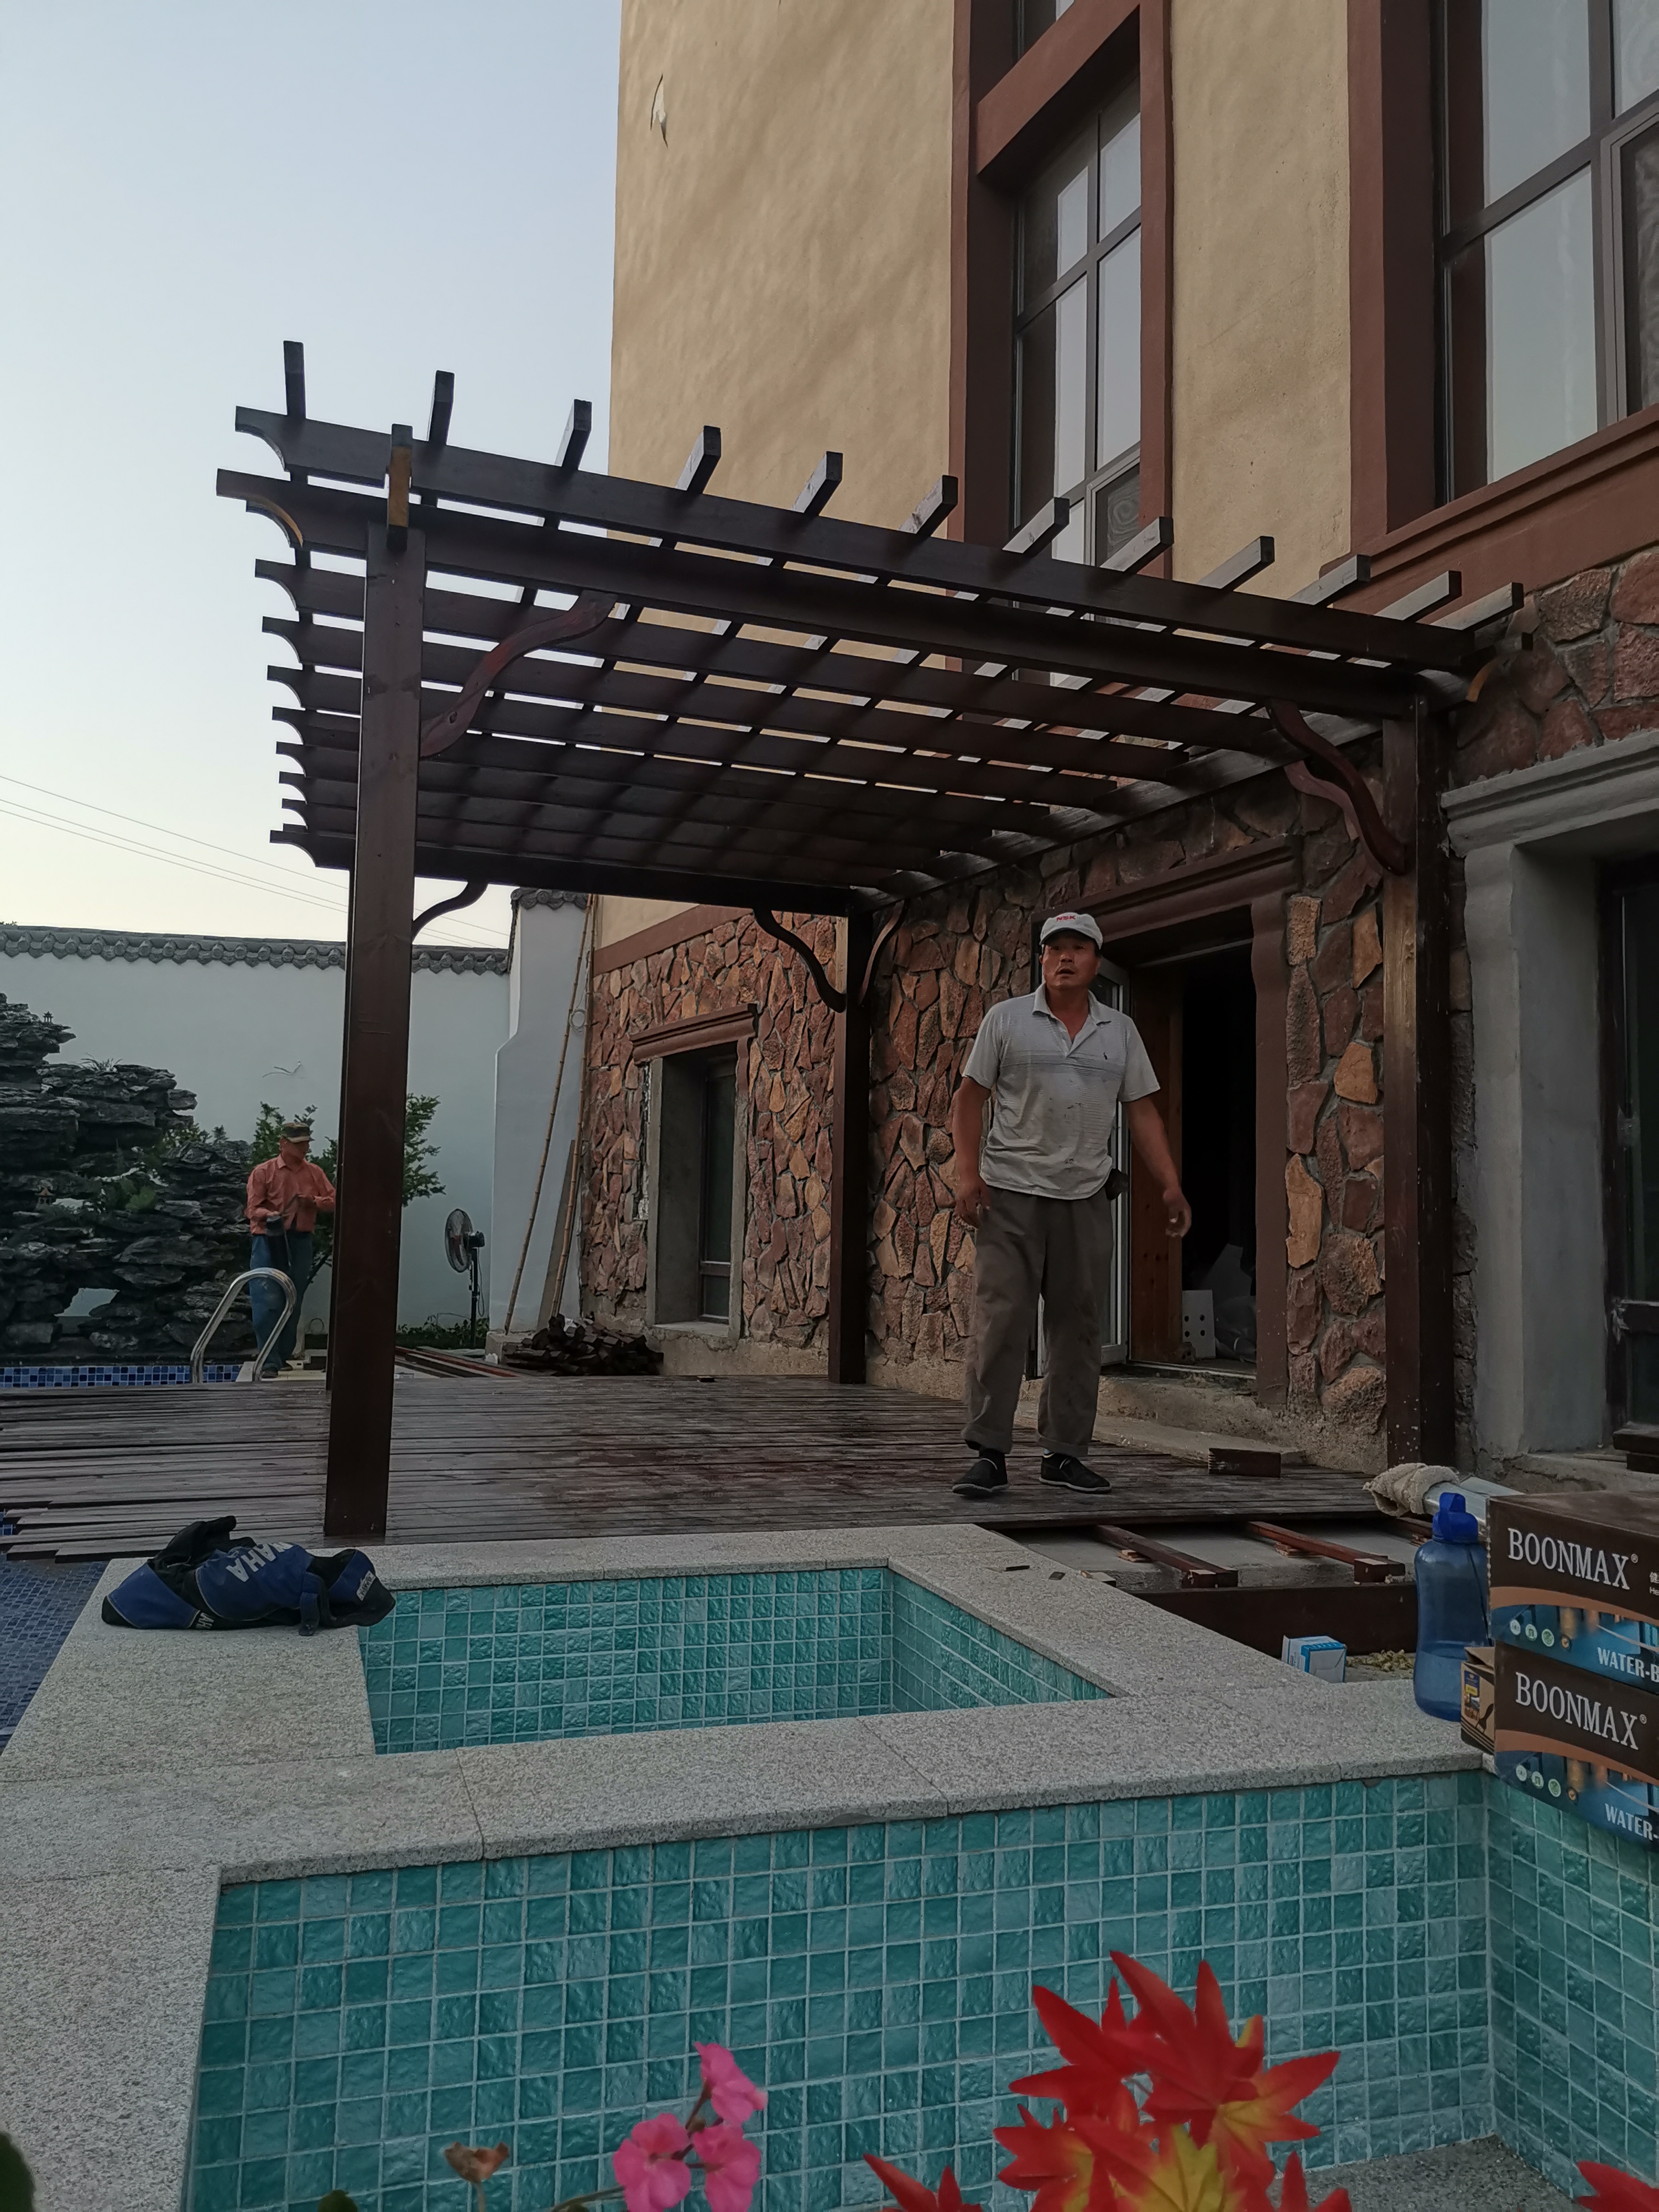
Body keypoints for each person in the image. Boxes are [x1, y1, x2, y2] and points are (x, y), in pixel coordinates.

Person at [949, 910, 1190, 1498]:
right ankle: (989, 1453)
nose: (1064, 957)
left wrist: (1170, 1185)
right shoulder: (1007, 1020)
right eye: (1053, 947)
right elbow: (969, 1099)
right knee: (1002, 1321)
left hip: (1084, 1195)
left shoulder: (1120, 1032)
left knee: (1079, 1329)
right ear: (1042, 959)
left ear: (1096, 961)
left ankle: (1064, 1454)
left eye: (1077, 947)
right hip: (1010, 1194)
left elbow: (1142, 1111)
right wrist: (967, 1174)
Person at [244, 1119, 336, 1375]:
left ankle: (282, 1354)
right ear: (283, 1144)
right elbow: (252, 1209)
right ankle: (269, 1360)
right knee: (266, 1298)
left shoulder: (314, 1172)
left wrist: (313, 1202)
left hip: (301, 1241)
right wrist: (271, 1215)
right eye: (299, 1144)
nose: (305, 1148)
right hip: (269, 1240)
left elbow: (334, 1200)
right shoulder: (263, 1172)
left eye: (306, 1143)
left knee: (294, 1297)